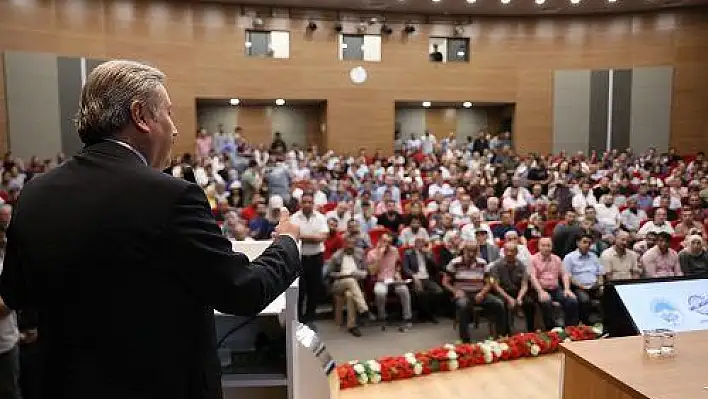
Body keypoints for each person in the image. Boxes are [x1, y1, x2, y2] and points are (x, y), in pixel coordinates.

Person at [0, 61, 302, 399]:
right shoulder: (170, 197)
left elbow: (16, 294)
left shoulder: (35, 194)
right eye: (168, 114)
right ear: (141, 115)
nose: (174, 129)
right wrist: (287, 243)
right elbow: (243, 291)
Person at [326, 235, 375, 337]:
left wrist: (357, 273)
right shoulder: (337, 256)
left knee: (349, 295)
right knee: (350, 280)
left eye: (352, 244)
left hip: (355, 284)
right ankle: (364, 308)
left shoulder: (360, 254)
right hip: (339, 284)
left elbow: (366, 272)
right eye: (348, 244)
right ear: (343, 244)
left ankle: (352, 326)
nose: (350, 246)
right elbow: (329, 274)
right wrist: (342, 275)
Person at [527, 238, 579, 329]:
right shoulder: (533, 259)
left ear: (552, 247)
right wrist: (540, 291)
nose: (546, 248)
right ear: (539, 247)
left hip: (555, 288)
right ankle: (551, 329)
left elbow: (564, 274)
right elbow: (533, 277)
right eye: (543, 245)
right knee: (546, 301)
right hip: (539, 289)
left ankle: (571, 328)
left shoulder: (556, 259)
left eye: (548, 245)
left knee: (572, 300)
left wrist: (567, 289)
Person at [489, 243, 534, 334]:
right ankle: (505, 334)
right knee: (501, 305)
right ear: (503, 252)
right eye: (507, 251)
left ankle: (531, 331)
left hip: (517, 292)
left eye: (512, 251)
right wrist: (509, 299)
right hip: (502, 292)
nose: (509, 253)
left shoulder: (521, 265)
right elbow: (496, 286)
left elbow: (524, 284)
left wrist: (520, 297)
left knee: (530, 303)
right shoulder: (496, 265)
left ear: (516, 252)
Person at [563, 234, 604, 325]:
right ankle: (586, 323)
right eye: (584, 242)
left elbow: (600, 273)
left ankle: (604, 324)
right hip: (579, 287)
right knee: (584, 299)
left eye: (589, 243)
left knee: (609, 295)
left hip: (594, 286)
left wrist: (600, 285)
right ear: (578, 243)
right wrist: (582, 286)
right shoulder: (569, 257)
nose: (587, 245)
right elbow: (568, 276)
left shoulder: (593, 256)